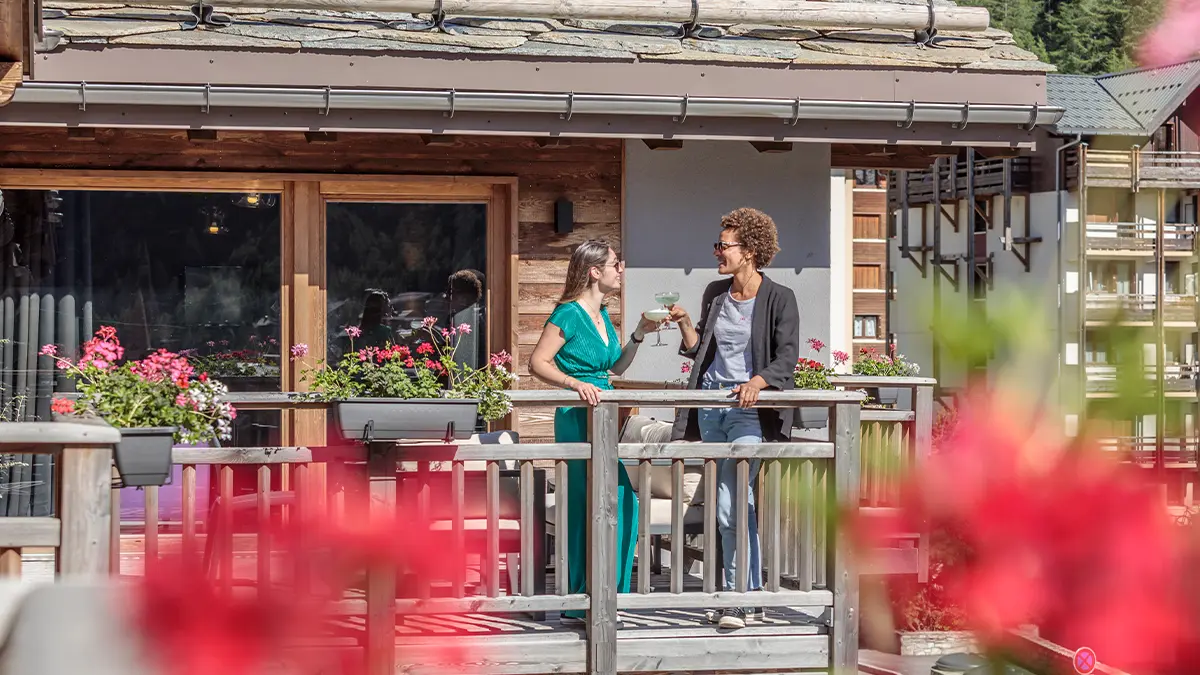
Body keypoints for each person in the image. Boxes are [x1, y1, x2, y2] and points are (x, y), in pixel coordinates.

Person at [667, 207, 800, 630]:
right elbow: (700, 350)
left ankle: (737, 601)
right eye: (718, 245)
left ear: (751, 251)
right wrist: (687, 323)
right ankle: (750, 596)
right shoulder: (715, 293)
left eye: (724, 246)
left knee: (731, 506)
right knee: (733, 507)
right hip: (711, 408)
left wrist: (757, 382)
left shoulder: (779, 298)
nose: (717, 252)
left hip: (748, 413)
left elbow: (787, 358)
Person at [529, 240, 661, 627]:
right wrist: (574, 384)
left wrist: (638, 332)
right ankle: (583, 601)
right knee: (585, 509)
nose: (621, 270)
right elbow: (538, 362)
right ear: (594, 271)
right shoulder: (567, 314)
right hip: (576, 414)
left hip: (603, 415)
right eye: (616, 264)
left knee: (622, 503)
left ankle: (606, 596)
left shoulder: (604, 314)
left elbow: (614, 368)